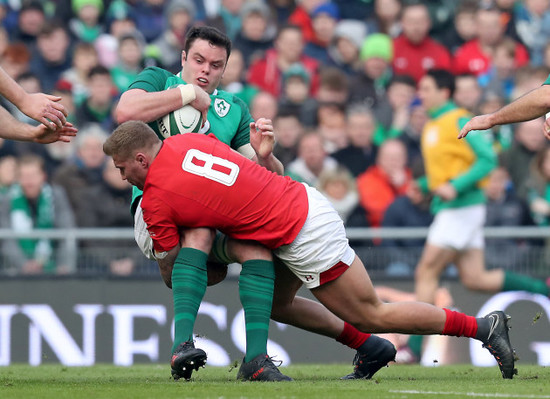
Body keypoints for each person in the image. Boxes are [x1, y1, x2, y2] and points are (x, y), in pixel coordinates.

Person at [105, 119, 519, 380]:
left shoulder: (156, 198)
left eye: (123, 168)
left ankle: (482, 327)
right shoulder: (189, 141)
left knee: (373, 312)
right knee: (277, 303)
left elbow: (180, 272)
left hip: (302, 230)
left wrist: (197, 257)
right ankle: (368, 348)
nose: (123, 178)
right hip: (295, 203)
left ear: (141, 158)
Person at [116, 25, 395, 382]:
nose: (205, 70)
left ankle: (268, 359)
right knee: (199, 230)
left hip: (217, 215)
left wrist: (267, 156)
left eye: (216, 65)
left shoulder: (233, 108)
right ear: (183, 58)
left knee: (260, 257)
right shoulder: (158, 80)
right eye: (198, 60)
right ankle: (181, 345)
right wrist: (188, 94)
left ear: (226, 68)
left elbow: (264, 175)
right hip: (156, 212)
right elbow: (126, 110)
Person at [415, 69, 549, 309]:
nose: (420, 94)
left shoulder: (457, 118)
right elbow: (444, 172)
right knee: (474, 278)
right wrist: (423, 185)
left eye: (426, 89)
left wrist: (456, 187)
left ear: (443, 92)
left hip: (461, 207)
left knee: (426, 271)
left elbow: (488, 158)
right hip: (453, 206)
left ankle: (414, 345)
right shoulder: (431, 125)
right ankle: (542, 289)